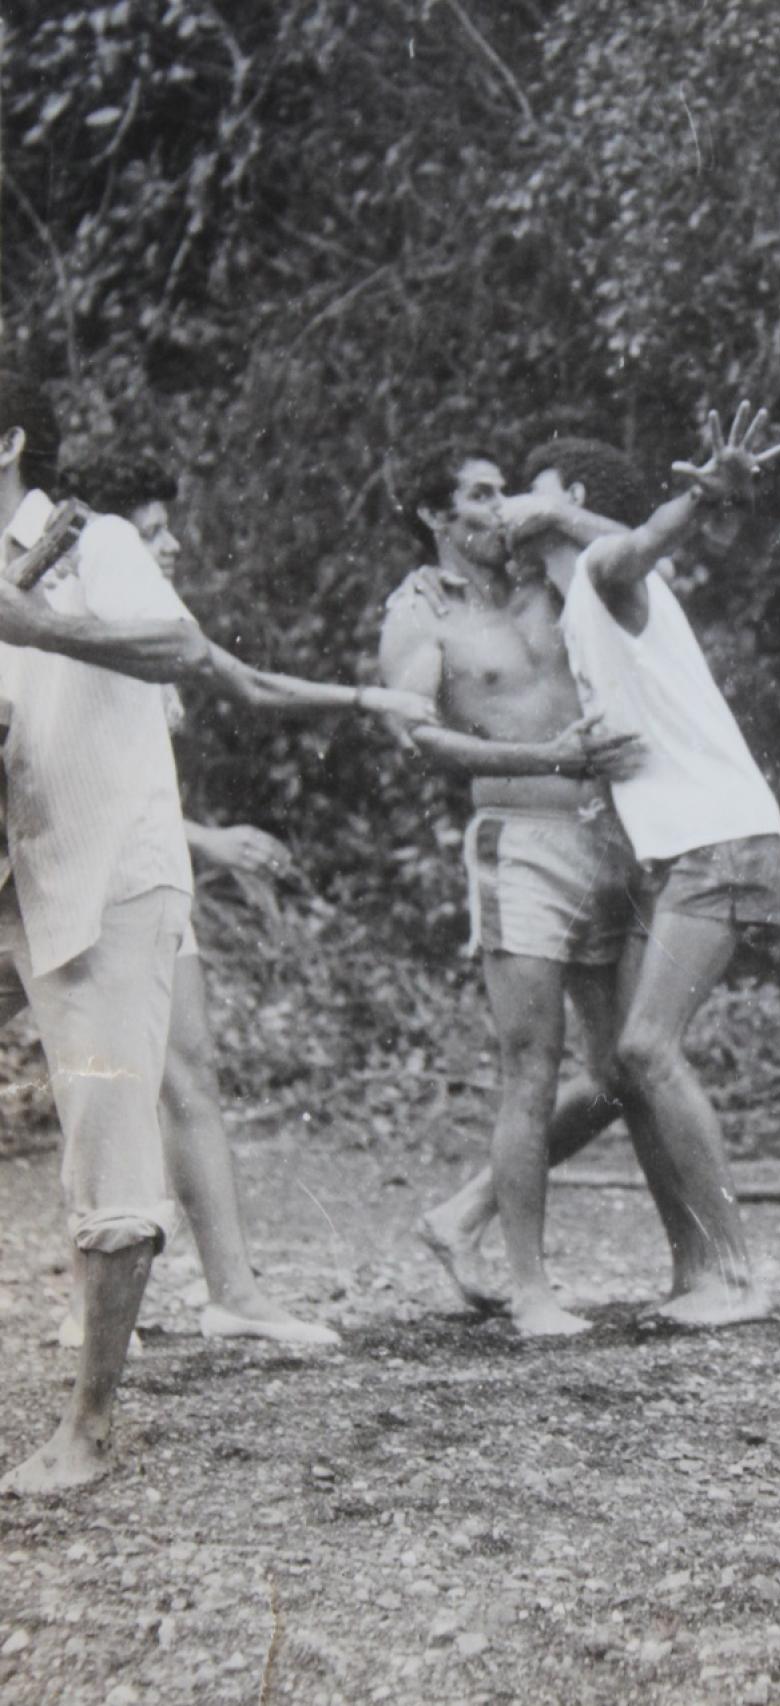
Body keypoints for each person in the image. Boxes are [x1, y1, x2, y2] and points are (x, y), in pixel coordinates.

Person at [0, 373, 432, 1494]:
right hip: (37, 878)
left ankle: (91, 1426)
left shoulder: (85, 540)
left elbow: (186, 652)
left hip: (117, 881)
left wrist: (29, 617)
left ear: (9, 442)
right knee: (97, 1116)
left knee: (112, 1121)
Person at [431, 405, 780, 1327]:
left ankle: (737, 1277)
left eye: (528, 490)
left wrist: (700, 500)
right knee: (633, 1061)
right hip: (689, 844)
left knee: (641, 1049)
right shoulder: (574, 600)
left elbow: (638, 546)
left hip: (720, 836)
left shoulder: (598, 574)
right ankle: (700, 1273)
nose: (506, 503)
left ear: (569, 503)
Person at [51, 453, 337, 1348]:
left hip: (144, 872)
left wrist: (197, 842)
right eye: (153, 528)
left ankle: (234, 1291)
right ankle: (88, 1306)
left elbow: (140, 774)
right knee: (101, 1088)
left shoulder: (142, 628)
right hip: (66, 883)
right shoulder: (54, 618)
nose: (171, 544)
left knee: (189, 1074)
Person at [379, 445, 656, 1336]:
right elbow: (418, 737)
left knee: (621, 1072)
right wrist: (547, 758)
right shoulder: (420, 613)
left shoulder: (549, 577)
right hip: (518, 841)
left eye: (506, 492)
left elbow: (649, 553)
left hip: (607, 836)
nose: (499, 508)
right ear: (435, 514)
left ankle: (461, 1217)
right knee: (530, 1069)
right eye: (479, 494)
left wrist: (562, 518)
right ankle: (532, 1291)